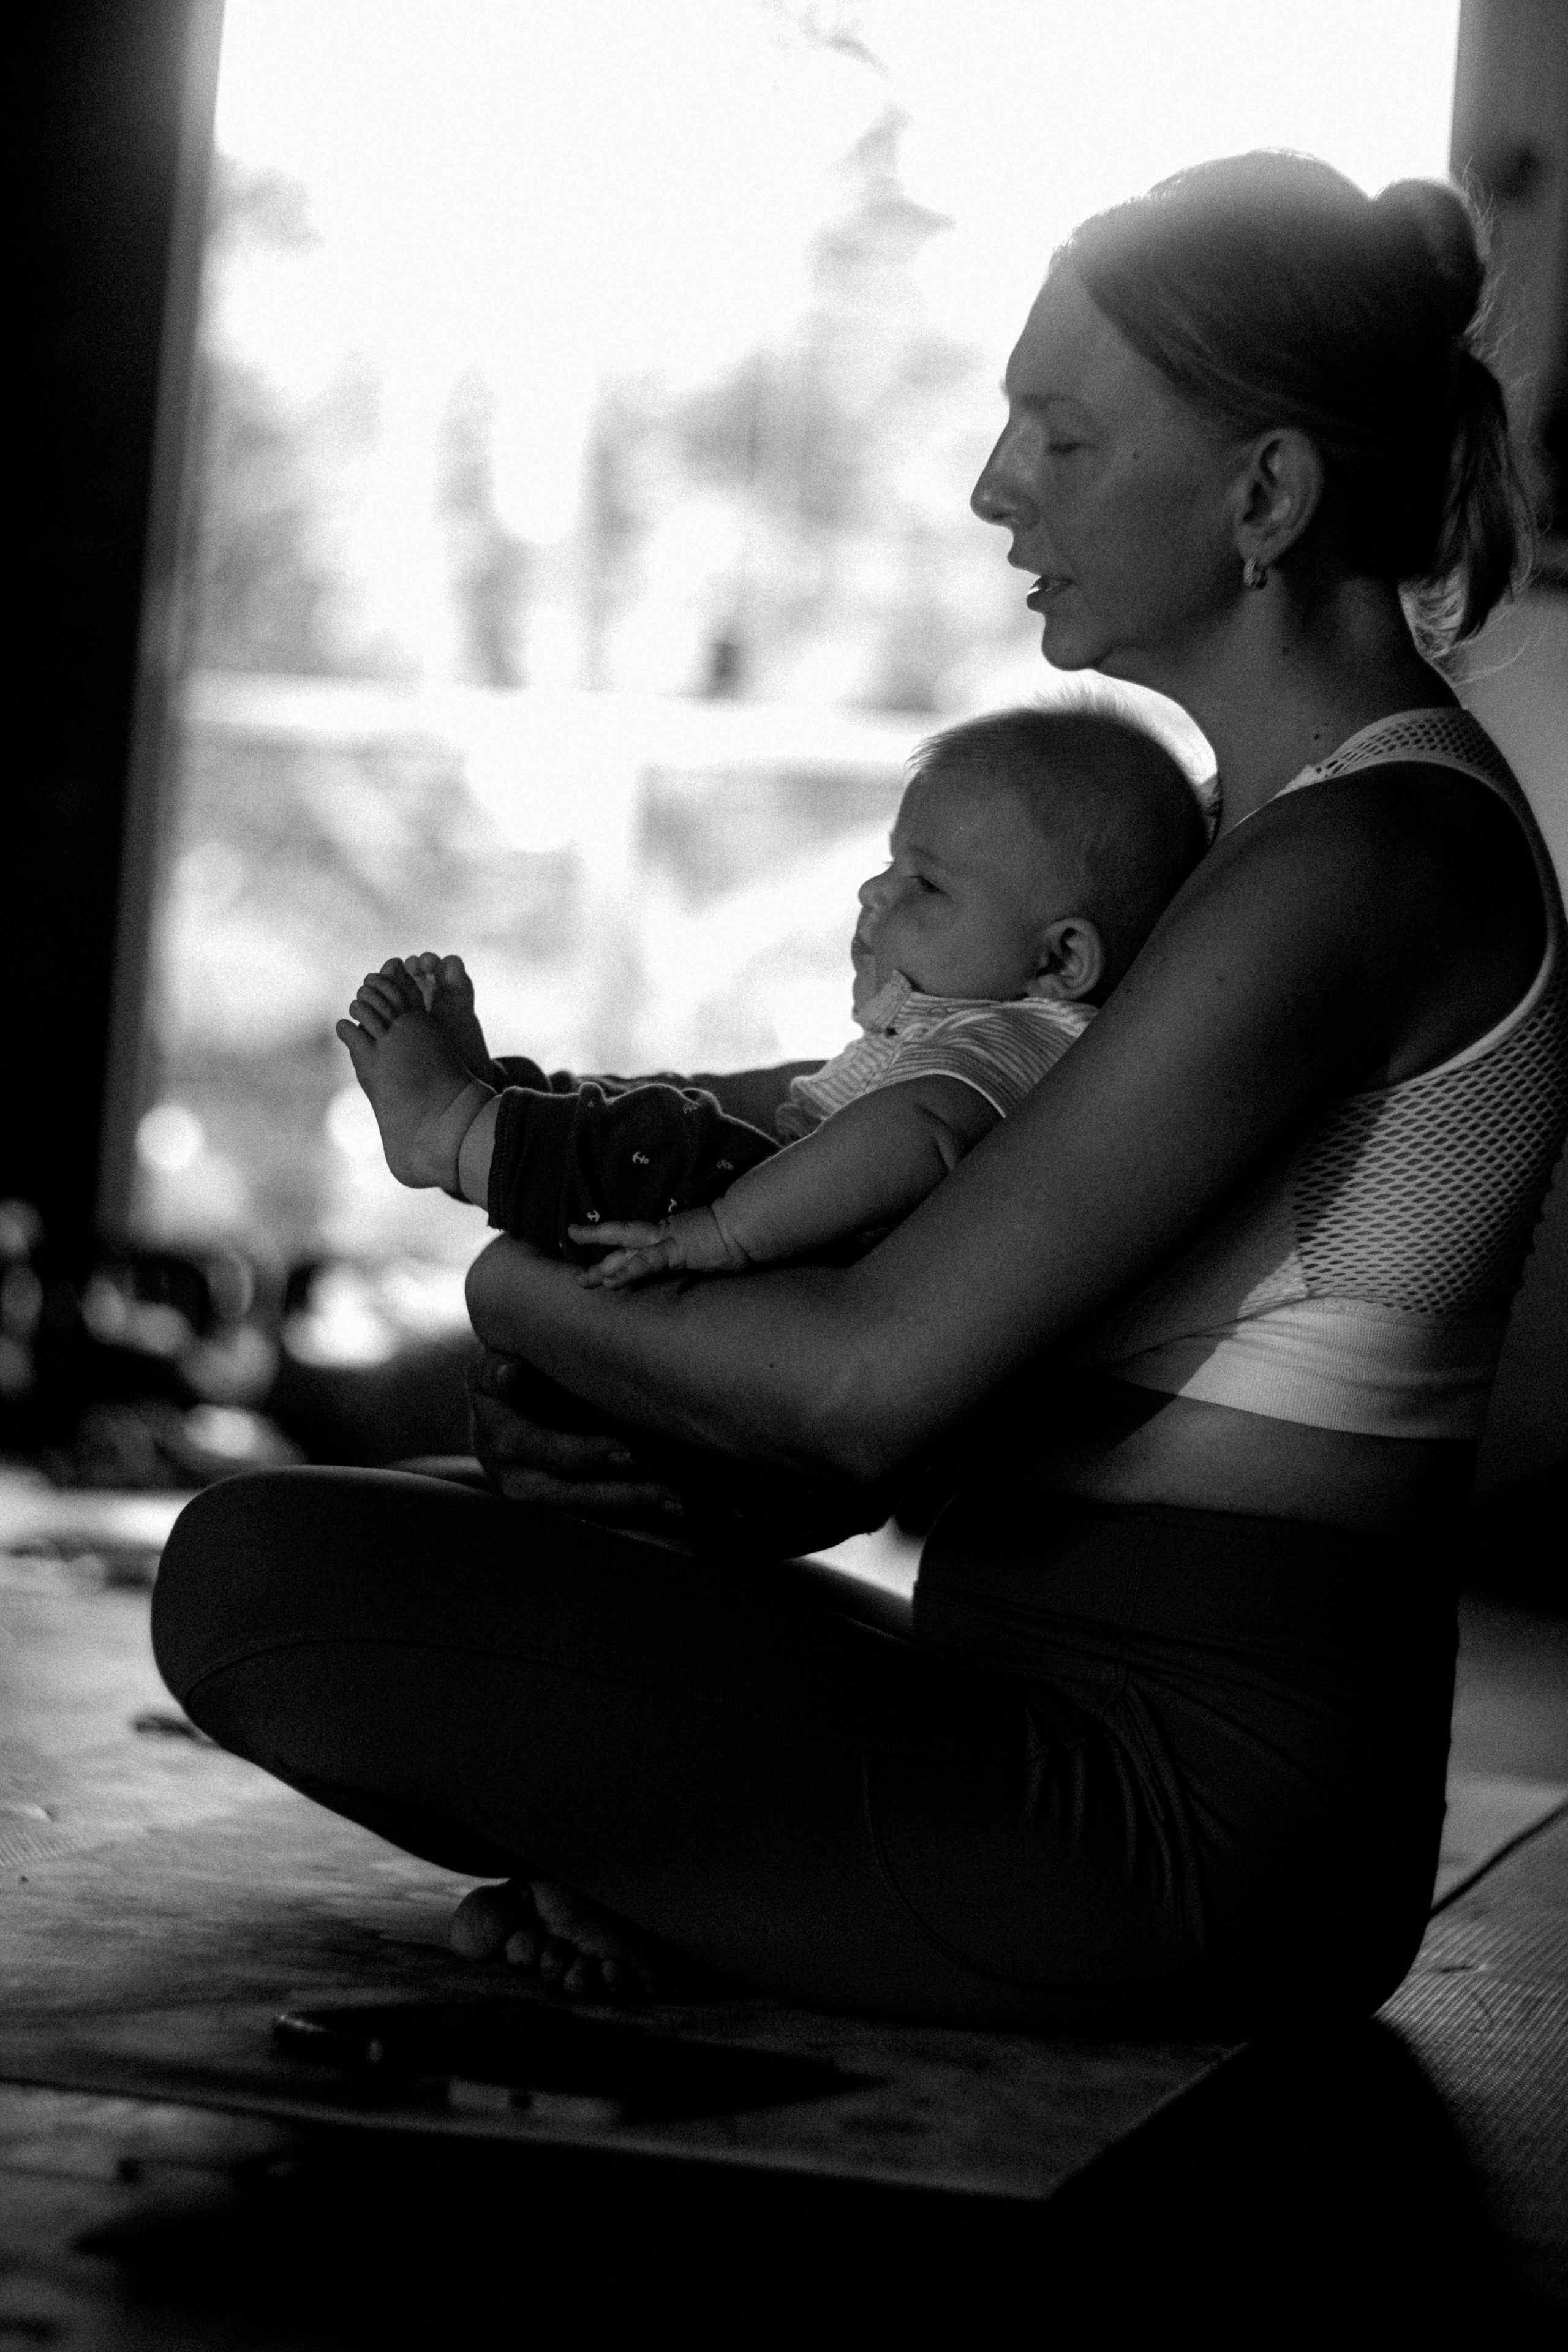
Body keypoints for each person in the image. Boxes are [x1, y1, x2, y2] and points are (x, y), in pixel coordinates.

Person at [153, 153, 1568, 2031]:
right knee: (437, 1525)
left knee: (262, 1576)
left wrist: (506, 1288)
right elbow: (955, 1354)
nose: (994, 486)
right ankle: (734, 1889)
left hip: (1181, 1829)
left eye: (1061, 437)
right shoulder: (1252, 838)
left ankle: (728, 1890)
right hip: (1027, 1706)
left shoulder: (1363, 860)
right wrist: (658, 1456)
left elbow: (866, 1390)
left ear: (1266, 495)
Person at [335, 706, 1204, 1292]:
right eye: (891, 862)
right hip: (782, 1218)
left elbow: (914, 1134)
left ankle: (450, 1131)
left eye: (927, 885)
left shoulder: (1017, 1040)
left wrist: (723, 1231)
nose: (875, 892)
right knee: (668, 1113)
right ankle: (497, 1098)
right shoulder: (977, 1030)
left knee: (665, 1148)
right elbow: (823, 1098)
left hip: (795, 1251)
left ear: (1060, 959)